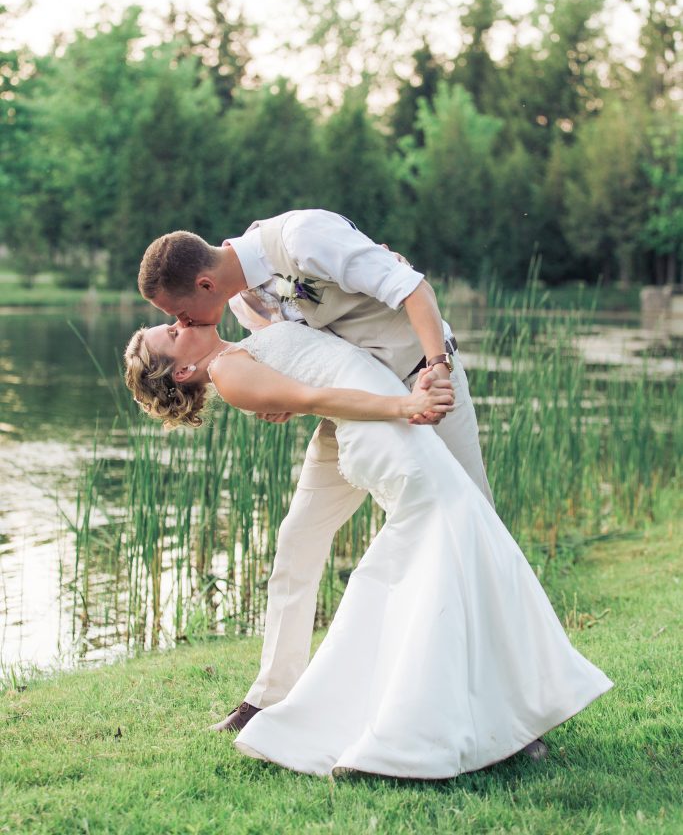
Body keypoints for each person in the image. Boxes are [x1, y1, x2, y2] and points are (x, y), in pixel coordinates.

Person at [124, 317, 612, 779]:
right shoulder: (228, 371)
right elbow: (314, 395)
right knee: (437, 547)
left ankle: (493, 712)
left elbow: (307, 360)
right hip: (380, 425)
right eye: (170, 332)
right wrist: (402, 406)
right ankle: (441, 718)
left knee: (450, 543)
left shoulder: (243, 329)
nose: (179, 322)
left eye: (174, 319)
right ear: (183, 370)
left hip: (382, 416)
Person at [137, 210, 496, 738]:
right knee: (297, 539)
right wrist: (279, 397)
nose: (184, 325)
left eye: (179, 314)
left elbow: (414, 289)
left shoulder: (304, 238)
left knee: (477, 531)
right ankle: (269, 698)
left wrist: (437, 367)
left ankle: (505, 709)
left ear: (204, 283)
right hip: (356, 411)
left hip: (425, 384)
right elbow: (305, 356)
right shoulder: (239, 301)